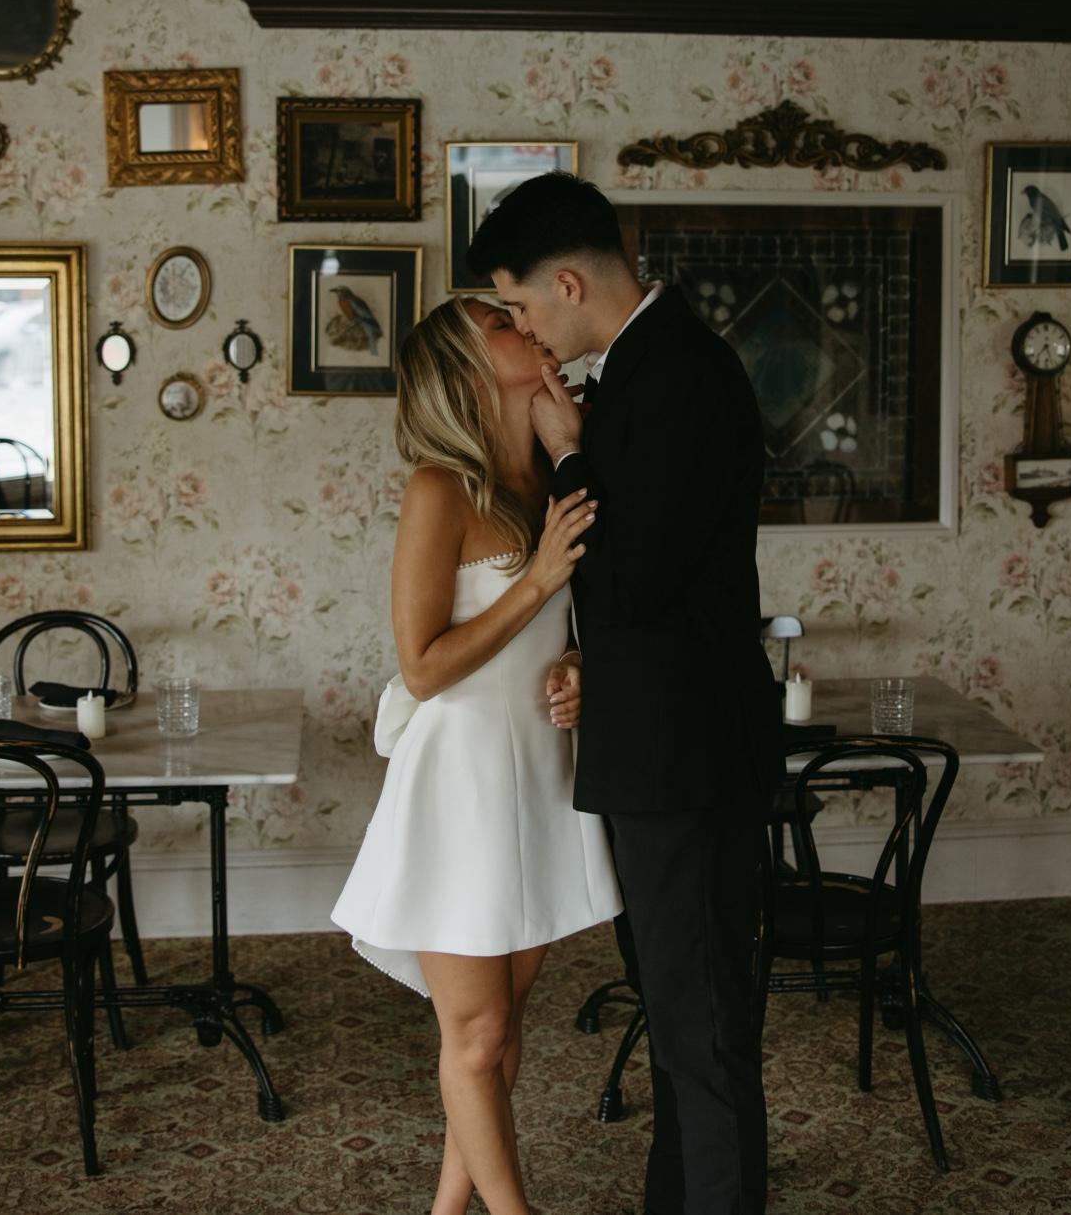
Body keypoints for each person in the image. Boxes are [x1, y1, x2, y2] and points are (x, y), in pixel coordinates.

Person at [466, 172, 780, 1215]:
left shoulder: (681, 375)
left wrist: (567, 454)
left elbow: (633, 578)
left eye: (519, 306)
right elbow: (649, 586)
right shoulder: (645, 370)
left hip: (688, 753)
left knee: (704, 1032)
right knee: (677, 1018)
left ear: (566, 283)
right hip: (656, 745)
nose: (521, 328)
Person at [331, 296, 623, 1215]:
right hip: (457, 785)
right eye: (499, 322)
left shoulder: (553, 477)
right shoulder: (438, 490)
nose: (523, 322)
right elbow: (422, 667)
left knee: (501, 1028)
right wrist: (534, 581)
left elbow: (576, 623)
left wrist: (577, 666)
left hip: (536, 774)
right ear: (465, 365)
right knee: (476, 1029)